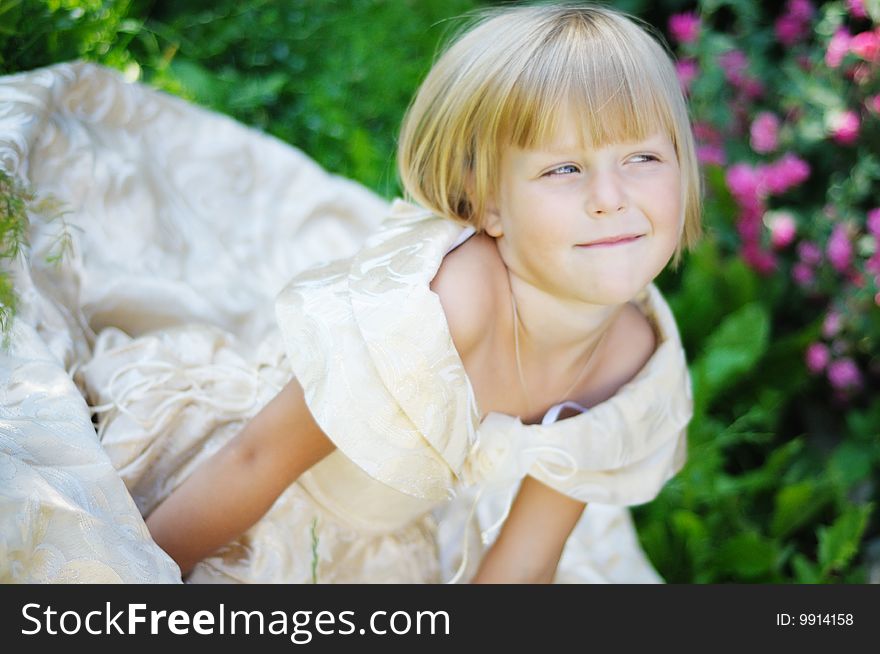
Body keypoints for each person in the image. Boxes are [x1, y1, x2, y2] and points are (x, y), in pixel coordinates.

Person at [80, 1, 700, 583]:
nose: (611, 197)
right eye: (564, 168)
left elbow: (527, 560)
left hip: (382, 538)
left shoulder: (631, 360)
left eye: (642, 157)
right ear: (490, 203)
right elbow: (255, 458)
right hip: (244, 493)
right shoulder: (445, 310)